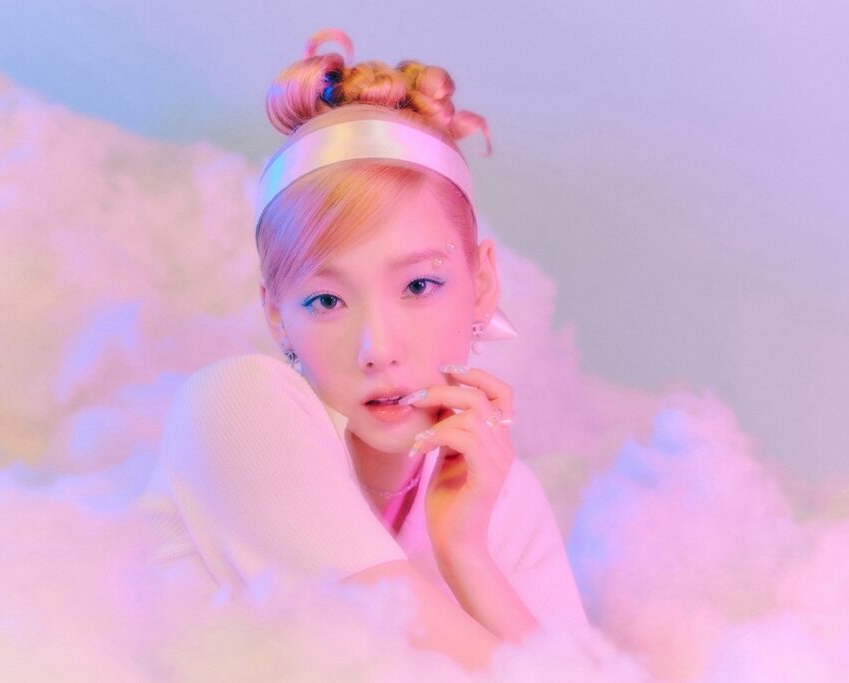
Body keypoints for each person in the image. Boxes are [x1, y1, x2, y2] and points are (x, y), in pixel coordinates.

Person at [139, 28, 587, 671]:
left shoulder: (497, 496)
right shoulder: (234, 405)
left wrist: (468, 554)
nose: (378, 349)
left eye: (419, 286)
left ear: (483, 283)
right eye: (327, 301)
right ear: (277, 316)